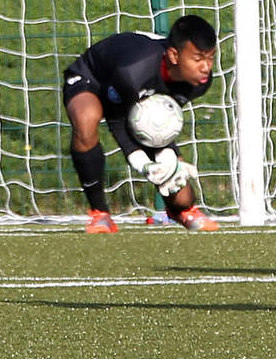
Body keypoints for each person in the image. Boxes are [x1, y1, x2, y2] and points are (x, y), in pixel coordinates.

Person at [64, 13, 219, 233]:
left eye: (210, 58)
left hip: (137, 95)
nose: (205, 67)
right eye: (198, 59)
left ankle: (181, 211)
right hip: (92, 77)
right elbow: (117, 117)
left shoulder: (199, 82)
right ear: (174, 55)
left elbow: (156, 120)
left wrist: (171, 160)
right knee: (86, 120)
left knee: (181, 194)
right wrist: (140, 162)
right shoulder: (133, 72)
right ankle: (100, 213)